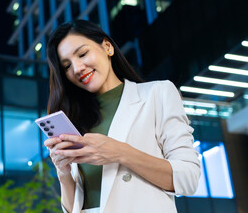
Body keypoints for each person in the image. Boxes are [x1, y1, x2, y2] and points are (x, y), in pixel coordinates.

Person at [44, 20, 200, 213]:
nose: (77, 69)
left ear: (107, 47)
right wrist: (64, 174)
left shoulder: (157, 93)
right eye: (66, 66)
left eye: (83, 54)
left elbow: (188, 177)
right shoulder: (76, 120)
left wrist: (119, 152)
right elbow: (73, 209)